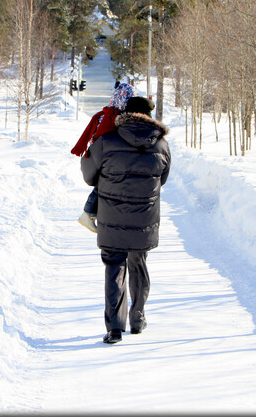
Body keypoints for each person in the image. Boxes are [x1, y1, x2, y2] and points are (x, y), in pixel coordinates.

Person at [80, 96, 170, 344]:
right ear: (149, 116)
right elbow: (162, 179)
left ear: (124, 113)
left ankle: (114, 328)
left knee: (114, 268)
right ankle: (138, 320)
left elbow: (89, 176)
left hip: (112, 218)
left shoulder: (106, 141)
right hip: (145, 218)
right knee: (138, 264)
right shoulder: (161, 145)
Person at [70, 83, 134, 232]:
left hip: (97, 156)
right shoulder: (116, 118)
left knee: (103, 185)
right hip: (107, 158)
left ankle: (90, 214)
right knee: (105, 184)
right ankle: (88, 213)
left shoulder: (102, 114)